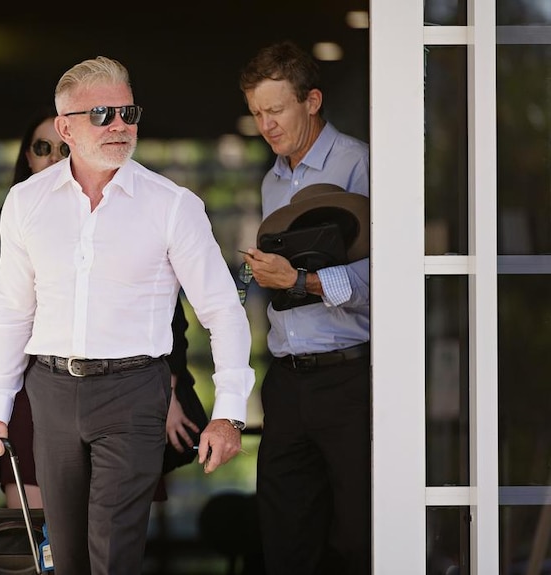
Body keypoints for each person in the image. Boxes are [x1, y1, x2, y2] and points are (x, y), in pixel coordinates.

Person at [0, 56, 255, 575]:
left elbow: (222, 310)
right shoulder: (25, 203)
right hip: (49, 391)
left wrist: (229, 412)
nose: (120, 125)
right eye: (102, 114)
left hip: (133, 392)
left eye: (128, 112)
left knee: (113, 551)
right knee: (66, 555)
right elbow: (10, 312)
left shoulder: (172, 205)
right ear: (65, 127)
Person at [0, 108, 203, 509]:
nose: (54, 156)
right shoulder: (11, 218)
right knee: (35, 529)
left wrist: (169, 394)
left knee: (109, 530)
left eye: (63, 147)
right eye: (43, 148)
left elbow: (164, 313)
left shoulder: (118, 212)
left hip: (121, 385)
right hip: (33, 384)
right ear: (27, 157)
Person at [238, 41, 371, 575]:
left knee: (360, 539)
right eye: (256, 114)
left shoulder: (361, 164)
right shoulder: (272, 180)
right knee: (287, 543)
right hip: (287, 382)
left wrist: (302, 279)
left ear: (311, 100)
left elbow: (389, 279)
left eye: (275, 110)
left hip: (351, 379)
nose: (265, 125)